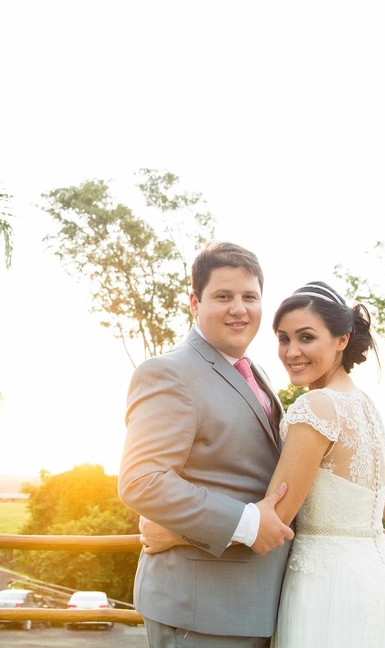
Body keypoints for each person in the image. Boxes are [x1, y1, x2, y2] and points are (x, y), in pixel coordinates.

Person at [142, 281, 385, 647]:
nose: (292, 352)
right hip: (379, 578)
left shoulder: (316, 406)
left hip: (326, 586)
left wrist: (172, 533)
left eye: (306, 338)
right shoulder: (366, 406)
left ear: (342, 339)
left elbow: (274, 518)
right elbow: (380, 509)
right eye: (283, 338)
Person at [119, 241, 294, 648]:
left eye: (250, 296)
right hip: (199, 612)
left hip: (258, 605)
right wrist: (247, 524)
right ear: (195, 302)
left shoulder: (259, 372)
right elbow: (141, 480)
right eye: (224, 296)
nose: (240, 308)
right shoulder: (168, 372)